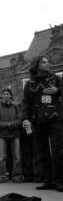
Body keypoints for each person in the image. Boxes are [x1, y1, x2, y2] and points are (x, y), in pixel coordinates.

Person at [22, 55, 63, 191]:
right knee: (42, 152)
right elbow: (26, 103)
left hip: (55, 118)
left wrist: (58, 90)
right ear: (36, 65)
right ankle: (48, 180)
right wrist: (25, 118)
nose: (48, 64)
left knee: (58, 151)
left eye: (48, 61)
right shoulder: (29, 84)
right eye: (44, 62)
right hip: (38, 121)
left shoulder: (56, 79)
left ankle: (59, 181)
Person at [0, 88, 23, 183]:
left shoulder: (16, 107)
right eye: (4, 94)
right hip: (2, 135)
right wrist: (9, 125)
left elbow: (19, 121)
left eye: (7, 94)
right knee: (1, 157)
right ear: (2, 96)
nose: (5, 95)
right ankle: (0, 176)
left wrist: (8, 124)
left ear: (10, 96)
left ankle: (17, 176)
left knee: (17, 156)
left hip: (15, 134)